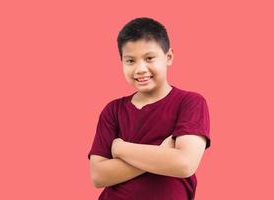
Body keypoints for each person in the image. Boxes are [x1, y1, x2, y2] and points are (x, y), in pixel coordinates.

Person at [87, 17, 211, 200]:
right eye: (130, 61)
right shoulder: (113, 110)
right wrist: (162, 154)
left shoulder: (190, 102)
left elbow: (184, 164)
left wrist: (121, 149)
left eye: (149, 58)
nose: (140, 69)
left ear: (168, 57)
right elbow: (98, 176)